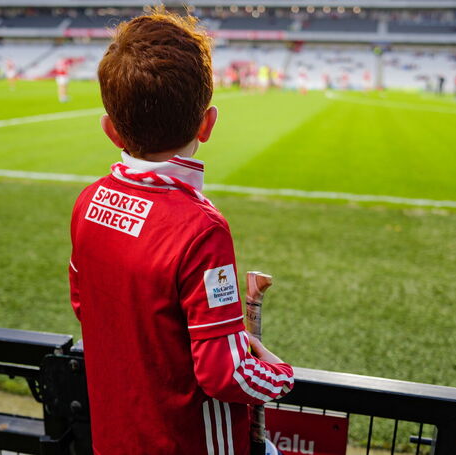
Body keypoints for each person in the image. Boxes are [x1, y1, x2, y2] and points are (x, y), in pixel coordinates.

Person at [68, 8, 294, 455]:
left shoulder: (88, 201)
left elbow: (85, 305)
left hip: (115, 436)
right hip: (187, 441)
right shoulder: (200, 228)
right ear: (207, 124)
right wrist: (282, 376)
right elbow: (223, 373)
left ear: (111, 130)